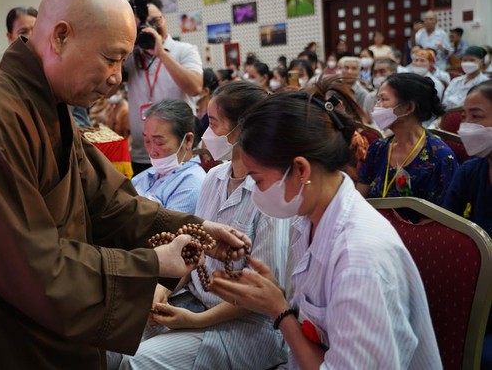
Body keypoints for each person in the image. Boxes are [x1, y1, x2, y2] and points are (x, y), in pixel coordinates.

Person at [0, 0, 248, 369]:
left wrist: (195, 230)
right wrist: (153, 263)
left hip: (37, 317)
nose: (117, 77)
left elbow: (109, 204)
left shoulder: (48, 106)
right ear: (60, 37)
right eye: (111, 58)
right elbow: (26, 264)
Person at [209, 90, 441, 369]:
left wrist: (278, 309)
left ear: (301, 170)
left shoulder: (359, 260)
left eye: (258, 180)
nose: (257, 193)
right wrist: (275, 293)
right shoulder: (309, 219)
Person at [113, 82, 290, 370]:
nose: (207, 133)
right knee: (111, 343)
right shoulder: (214, 177)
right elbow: (196, 252)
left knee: (136, 364)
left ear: (244, 128)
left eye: (214, 123)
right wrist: (164, 289)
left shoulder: (271, 192)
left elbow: (263, 291)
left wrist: (195, 321)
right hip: (194, 299)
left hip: (247, 325)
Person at [357, 73, 458, 217]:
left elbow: (440, 219)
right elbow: (360, 199)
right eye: (378, 100)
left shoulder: (440, 158)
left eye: (383, 99)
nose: (377, 106)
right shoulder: (378, 148)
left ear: (408, 108)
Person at [442, 80, 492, 369]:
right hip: (472, 290)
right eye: (464, 117)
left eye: (477, 116)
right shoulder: (470, 171)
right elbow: (446, 233)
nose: (466, 127)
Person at [124, 0, 203, 175]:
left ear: (164, 18)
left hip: (179, 153)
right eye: (141, 24)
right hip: (142, 154)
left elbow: (195, 87)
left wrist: (161, 53)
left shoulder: (185, 50)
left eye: (155, 21)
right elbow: (106, 91)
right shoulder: (131, 57)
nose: (149, 27)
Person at [131, 99, 205, 215]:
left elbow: (167, 224)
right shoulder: (151, 173)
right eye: (146, 141)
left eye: (159, 143)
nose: (152, 151)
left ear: (187, 140)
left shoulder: (192, 184)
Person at [442, 46, 489, 110]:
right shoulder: (455, 81)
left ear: (481, 62)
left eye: (472, 60)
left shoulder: (485, 84)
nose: (468, 63)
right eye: (465, 60)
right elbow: (444, 102)